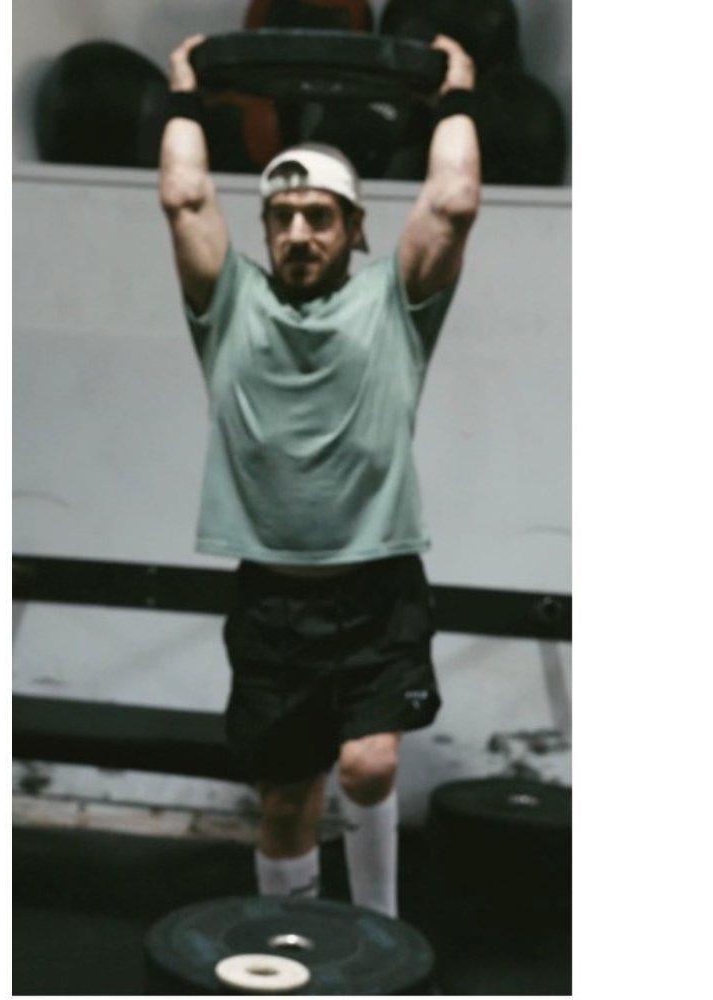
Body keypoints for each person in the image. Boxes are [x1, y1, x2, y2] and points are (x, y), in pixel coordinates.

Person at [155, 33, 485, 920]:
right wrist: (185, 91)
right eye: (284, 216)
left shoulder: (397, 305)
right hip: (273, 599)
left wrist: (454, 95)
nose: (300, 231)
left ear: (354, 227)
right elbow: (185, 196)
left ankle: (378, 935)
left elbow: (452, 202)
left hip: (378, 590)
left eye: (321, 216)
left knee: (370, 762)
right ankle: (295, 944)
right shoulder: (229, 306)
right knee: (284, 799)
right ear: (264, 228)